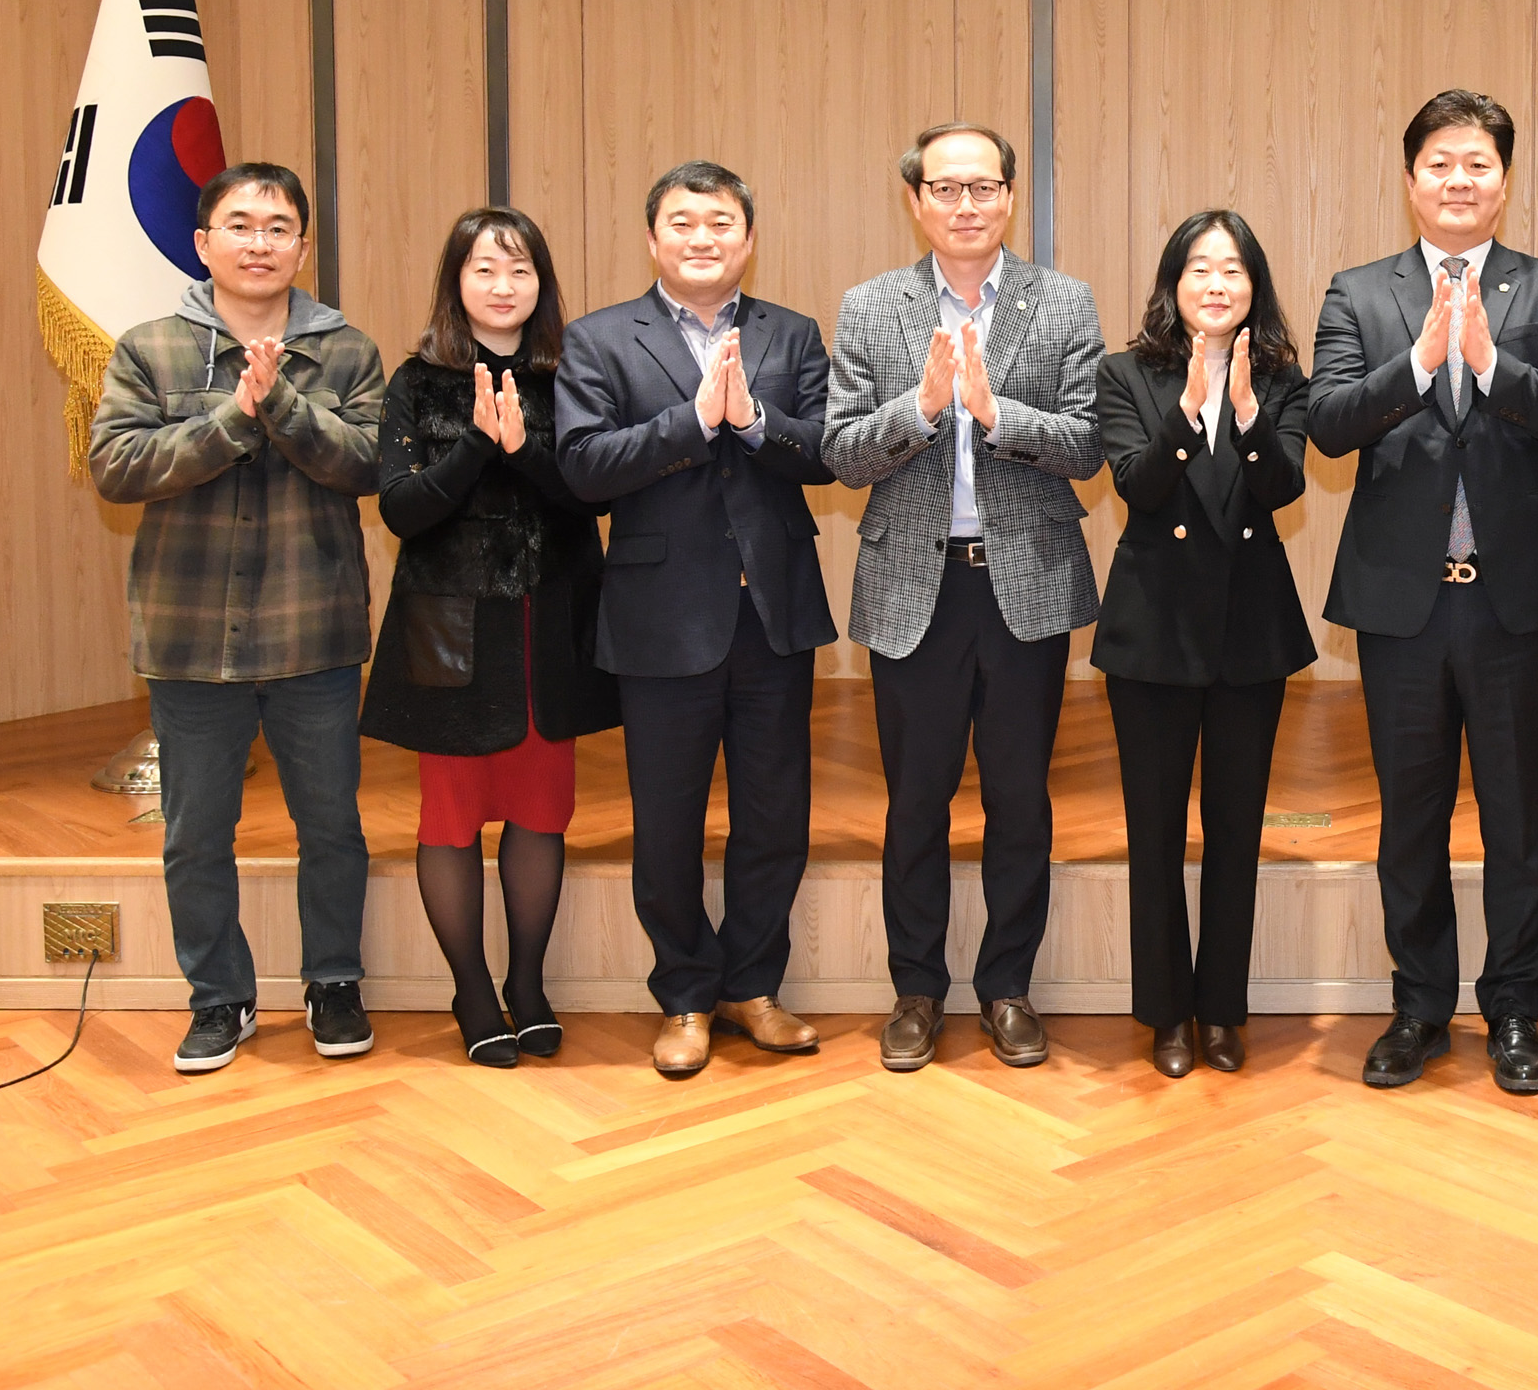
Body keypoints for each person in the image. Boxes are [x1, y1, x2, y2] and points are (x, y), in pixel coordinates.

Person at [1309, 89, 1538, 1095]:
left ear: (1504, 181)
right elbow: (1332, 421)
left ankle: (1516, 1007)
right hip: (1404, 600)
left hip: (1512, 600)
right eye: (1440, 162)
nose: (1459, 180)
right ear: (1410, 179)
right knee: (1411, 817)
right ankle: (1418, 1006)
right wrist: (1424, 358)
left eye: (1478, 163)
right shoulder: (1359, 290)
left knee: (1518, 816)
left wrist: (1489, 359)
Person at [89, 163, 384, 1075]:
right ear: (203, 242)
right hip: (189, 635)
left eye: (279, 228)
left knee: (331, 825)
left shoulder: (347, 352)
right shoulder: (149, 348)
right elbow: (117, 469)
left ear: (302, 246)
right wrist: (232, 417)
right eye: (241, 225)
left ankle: (333, 981)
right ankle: (219, 998)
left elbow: (368, 465)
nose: (260, 243)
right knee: (193, 833)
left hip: (315, 632)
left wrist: (283, 406)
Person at [824, 123, 1104, 1074]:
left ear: (1010, 197)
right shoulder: (870, 308)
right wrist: (926, 408)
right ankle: (915, 990)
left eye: (983, 187)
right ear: (916, 201)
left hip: (1023, 581)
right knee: (916, 801)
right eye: (945, 189)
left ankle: (1008, 987)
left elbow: (1086, 445)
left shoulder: (1062, 302)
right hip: (915, 584)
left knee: (1021, 798)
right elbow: (842, 452)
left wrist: (993, 414)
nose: (966, 205)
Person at [555, 162, 837, 1080]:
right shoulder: (599, 339)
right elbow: (585, 470)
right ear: (653, 239)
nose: (703, 237)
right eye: (683, 221)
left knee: (773, 815)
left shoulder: (790, 334)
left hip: (772, 614)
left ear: (748, 238)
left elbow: (827, 453)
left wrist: (756, 424)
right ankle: (682, 991)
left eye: (721, 221)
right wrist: (692, 422)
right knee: (666, 821)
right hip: (659, 618)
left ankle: (753, 986)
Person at [361, 207, 617, 1068]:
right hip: (452, 630)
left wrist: (527, 452)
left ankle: (530, 983)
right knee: (454, 820)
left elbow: (595, 497)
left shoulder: (573, 373)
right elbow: (401, 508)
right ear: (455, 282)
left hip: (551, 626)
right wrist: (479, 444)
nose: (503, 287)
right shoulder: (417, 380)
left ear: (542, 285)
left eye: (520, 272)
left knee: (544, 813)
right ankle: (472, 990)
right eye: (484, 271)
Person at [1090, 211, 1316, 1078]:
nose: (1216, 284)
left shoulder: (1284, 380)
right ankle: (1167, 1015)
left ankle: (1222, 1009)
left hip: (1249, 634)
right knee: (1154, 831)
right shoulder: (1125, 374)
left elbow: (1284, 490)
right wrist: (1188, 410)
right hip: (1152, 633)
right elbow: (1140, 491)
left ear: (1254, 287)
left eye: (1233, 270)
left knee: (1237, 828)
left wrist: (1251, 415)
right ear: (1172, 284)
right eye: (1199, 269)